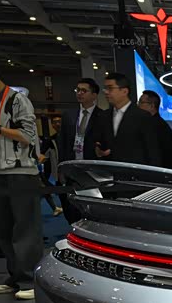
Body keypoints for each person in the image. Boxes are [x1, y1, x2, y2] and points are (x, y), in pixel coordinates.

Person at [0, 56, 42, 300]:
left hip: (22, 172)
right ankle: (15, 276)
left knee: (25, 228)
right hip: (0, 173)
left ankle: (30, 279)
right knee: (5, 230)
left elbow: (28, 136)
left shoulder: (18, 100)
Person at [56, 77, 105, 224]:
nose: (79, 93)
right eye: (78, 90)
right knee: (71, 206)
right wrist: (61, 167)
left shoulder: (102, 116)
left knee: (93, 207)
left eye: (84, 90)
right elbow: (62, 142)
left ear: (94, 95)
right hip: (72, 165)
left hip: (93, 168)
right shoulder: (69, 115)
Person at [93, 73, 161, 167]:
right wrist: (98, 148)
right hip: (109, 171)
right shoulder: (103, 116)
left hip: (135, 172)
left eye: (110, 88)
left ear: (124, 91)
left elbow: (152, 151)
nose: (106, 92)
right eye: (105, 88)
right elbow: (99, 140)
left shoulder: (143, 117)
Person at [137, 90, 172, 169]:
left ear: (152, 106)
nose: (138, 105)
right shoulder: (149, 124)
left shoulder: (160, 128)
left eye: (141, 102)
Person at [38, 115, 62, 216]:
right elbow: (43, 155)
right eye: (55, 122)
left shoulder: (70, 137)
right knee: (45, 186)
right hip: (55, 169)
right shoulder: (50, 140)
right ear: (52, 125)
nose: (57, 124)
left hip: (69, 168)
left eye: (59, 121)